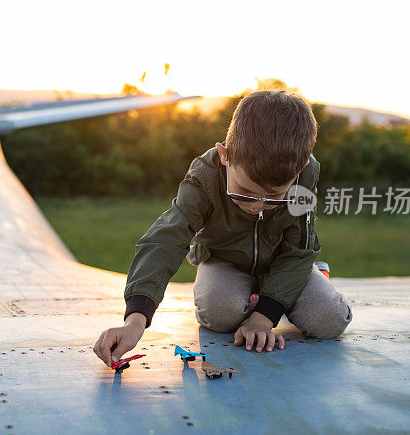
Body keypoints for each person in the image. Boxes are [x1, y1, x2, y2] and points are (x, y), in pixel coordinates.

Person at [93, 90, 353, 368]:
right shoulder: (204, 176)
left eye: (273, 197)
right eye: (245, 192)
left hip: (282, 262)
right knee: (219, 315)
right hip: (224, 259)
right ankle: (262, 296)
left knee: (330, 320)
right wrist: (136, 320)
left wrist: (262, 318)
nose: (255, 206)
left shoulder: (305, 176)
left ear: (299, 169)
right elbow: (165, 240)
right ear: (224, 155)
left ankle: (279, 292)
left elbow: (299, 249)